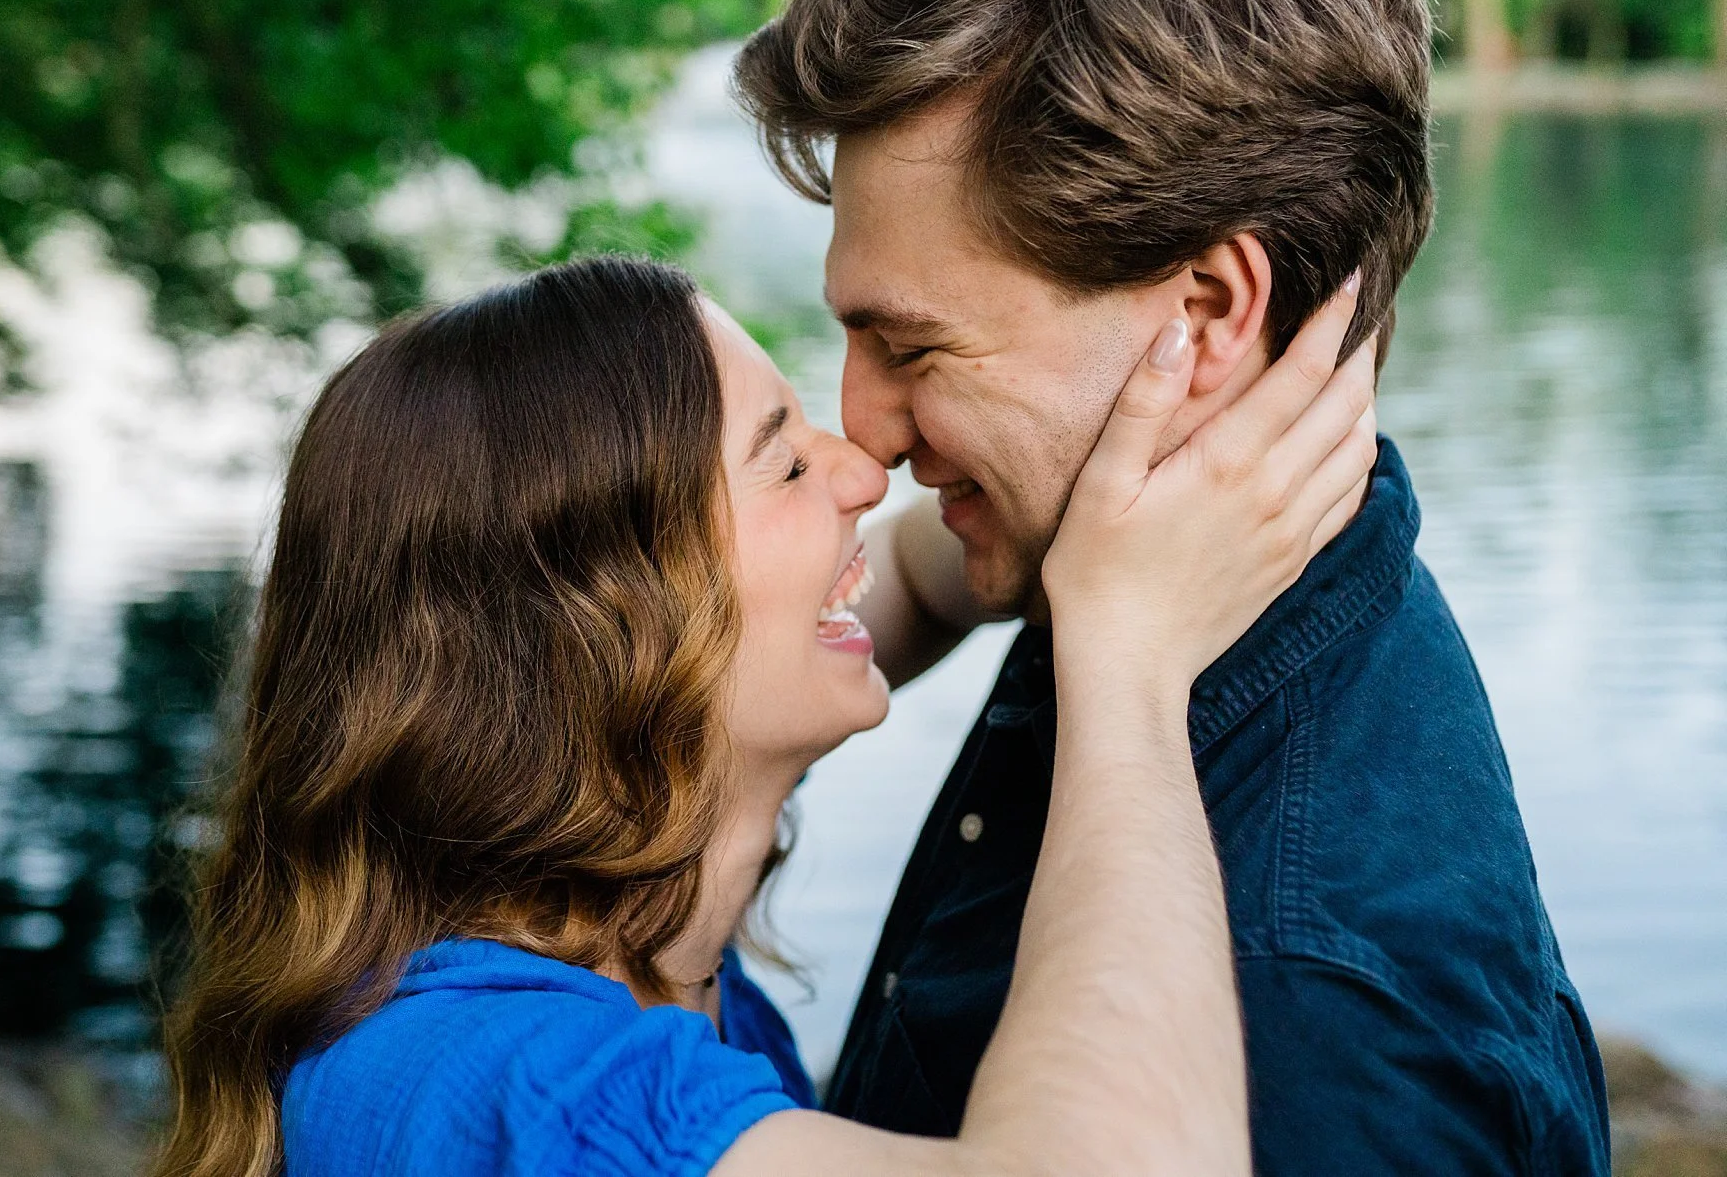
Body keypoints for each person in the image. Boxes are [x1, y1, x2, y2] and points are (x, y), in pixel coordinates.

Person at [732, 0, 1611, 1173]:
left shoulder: (1306, 1026)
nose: (865, 428)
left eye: (912, 347)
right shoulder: (1120, 556)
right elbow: (904, 577)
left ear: (1202, 316)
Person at [150, 254, 1377, 1177]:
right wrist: (1128, 651)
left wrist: (1070, 494)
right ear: (607, 630)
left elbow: (907, 582)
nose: (861, 470)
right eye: (784, 463)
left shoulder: (617, 933)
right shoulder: (493, 1088)